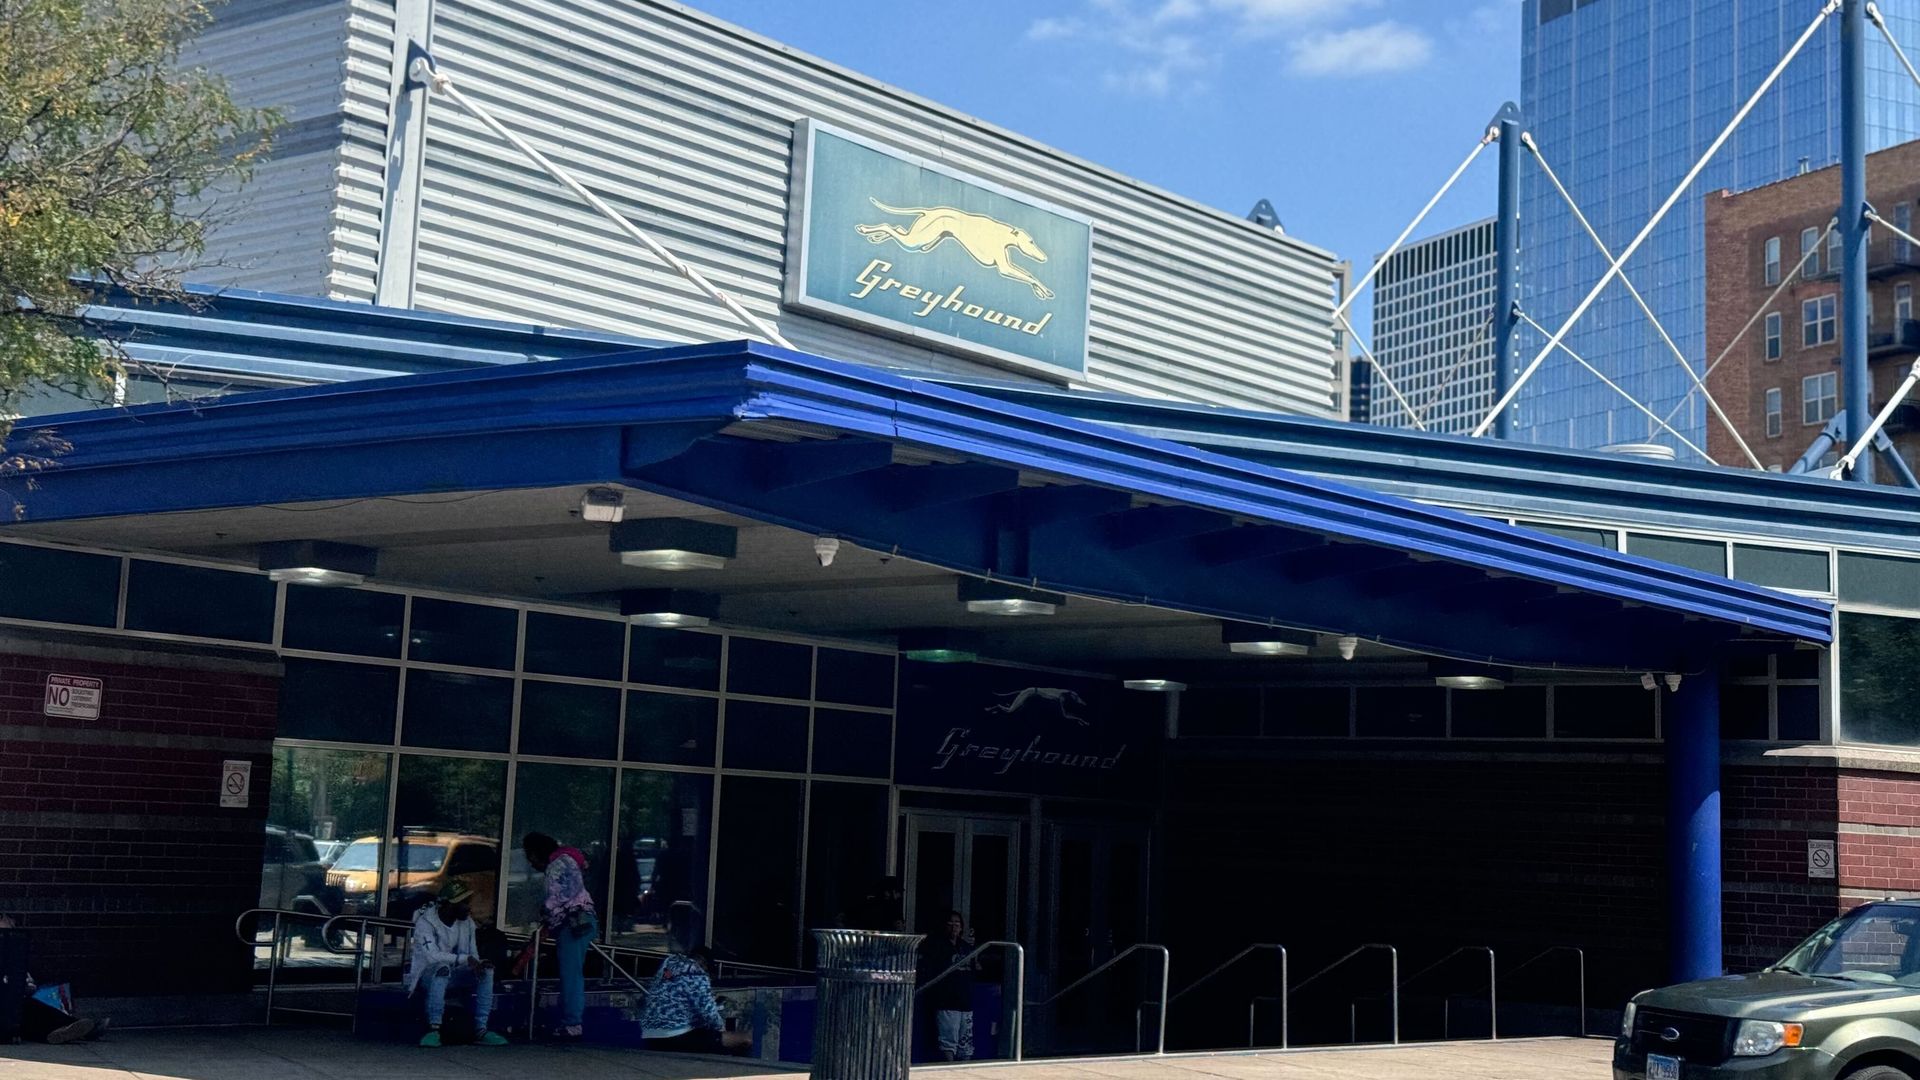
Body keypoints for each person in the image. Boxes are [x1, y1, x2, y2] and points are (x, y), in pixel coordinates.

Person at [403, 882, 507, 1047]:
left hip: (456, 973)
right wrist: (465, 959)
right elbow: (432, 956)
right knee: (442, 968)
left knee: (487, 971)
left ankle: (481, 1029)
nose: (468, 907)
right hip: (427, 975)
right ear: (449, 905)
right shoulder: (425, 923)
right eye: (463, 903)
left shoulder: (467, 923)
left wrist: (478, 964)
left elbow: (472, 953)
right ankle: (434, 1028)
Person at [524, 831, 597, 1040]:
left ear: (536, 852)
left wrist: (546, 913)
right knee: (572, 972)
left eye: (530, 856)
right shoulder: (568, 860)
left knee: (570, 974)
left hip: (572, 923)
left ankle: (572, 1023)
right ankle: (571, 1021)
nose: (530, 862)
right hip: (582, 920)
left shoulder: (556, 865)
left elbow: (558, 897)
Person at [0, 914, 106, 1045]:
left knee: (27, 1009)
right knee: (27, 1009)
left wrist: (24, 987)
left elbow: (28, 983)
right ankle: (77, 1029)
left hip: (12, 1007)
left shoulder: (12, 957)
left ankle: (65, 1030)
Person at [638, 946, 749, 1055]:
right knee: (744, 1038)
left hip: (649, 1035)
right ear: (704, 964)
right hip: (675, 1036)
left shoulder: (669, 964)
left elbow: (675, 994)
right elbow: (708, 1013)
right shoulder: (697, 972)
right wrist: (722, 1031)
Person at [922, 910, 977, 1061]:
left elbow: (974, 969)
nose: (954, 927)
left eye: (957, 924)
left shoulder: (965, 947)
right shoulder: (936, 945)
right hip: (946, 1000)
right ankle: (949, 1067)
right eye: (950, 923)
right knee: (948, 1040)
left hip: (965, 999)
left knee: (965, 1041)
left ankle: (964, 1068)